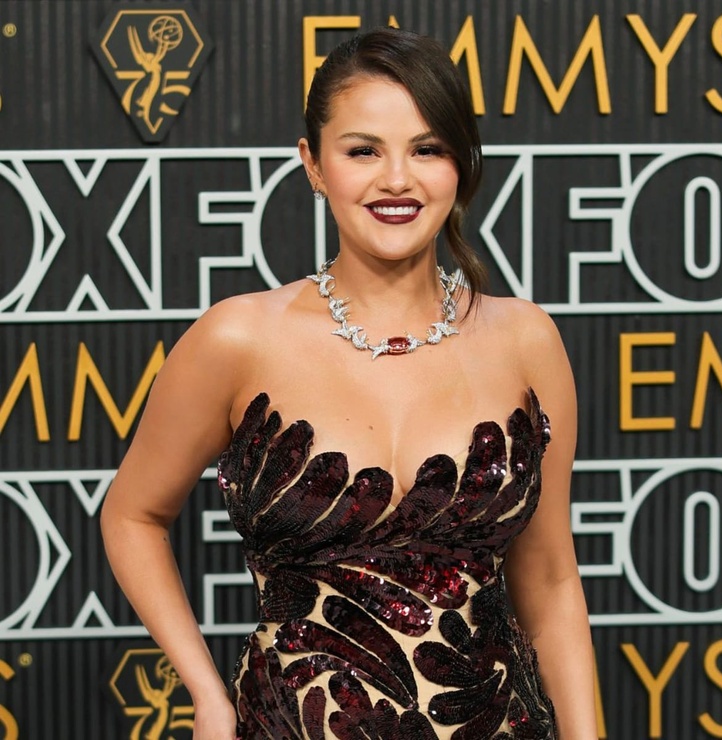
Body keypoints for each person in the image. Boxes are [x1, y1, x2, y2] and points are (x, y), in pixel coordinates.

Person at [101, 27, 598, 740]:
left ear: (461, 164)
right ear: (313, 164)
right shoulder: (237, 339)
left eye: (427, 149)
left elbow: (550, 582)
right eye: (363, 151)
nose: (396, 180)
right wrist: (208, 695)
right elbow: (131, 516)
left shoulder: (526, 340)